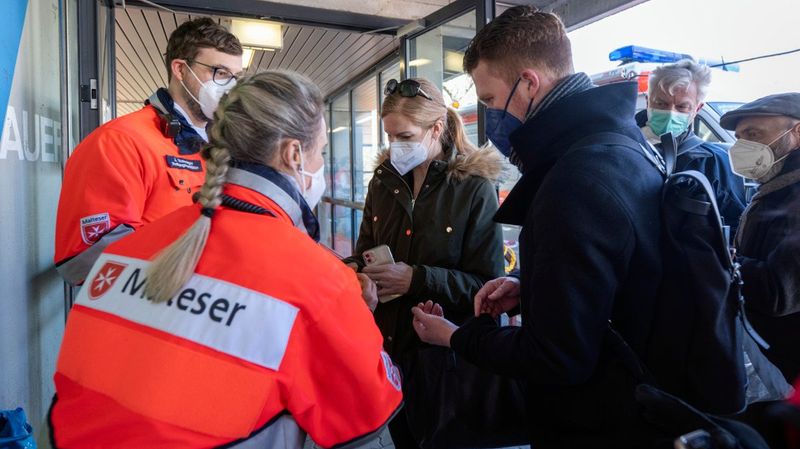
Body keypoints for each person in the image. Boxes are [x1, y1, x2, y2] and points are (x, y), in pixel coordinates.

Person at [49, 71, 403, 449]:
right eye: (321, 153)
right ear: (294, 154)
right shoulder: (322, 282)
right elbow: (364, 426)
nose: (321, 167)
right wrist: (350, 314)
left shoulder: (121, 253)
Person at [411, 6, 671, 448]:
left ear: (528, 83)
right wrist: (531, 283)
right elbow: (620, 273)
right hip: (643, 400)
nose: (491, 114)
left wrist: (459, 338)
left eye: (491, 99)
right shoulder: (622, 146)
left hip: (598, 422)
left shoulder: (574, 178)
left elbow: (557, 357)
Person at [342, 77, 504, 448]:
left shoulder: (474, 189)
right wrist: (356, 274)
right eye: (389, 137)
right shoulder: (382, 184)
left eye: (405, 137)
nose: (395, 147)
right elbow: (363, 250)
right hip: (387, 351)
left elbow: (487, 286)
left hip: (443, 362)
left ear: (437, 128)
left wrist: (416, 279)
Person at [54, 18, 243, 285]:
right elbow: (84, 259)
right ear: (180, 69)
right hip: (152, 308)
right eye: (219, 73)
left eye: (236, 77)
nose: (229, 86)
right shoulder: (120, 141)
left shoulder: (223, 146)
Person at [720, 93, 800, 449]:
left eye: (753, 134)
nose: (742, 146)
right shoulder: (778, 187)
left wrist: (722, 260)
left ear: (795, 134)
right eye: (739, 138)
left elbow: (779, 291)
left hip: (783, 370)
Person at [637, 59, 746, 234]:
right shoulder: (625, 146)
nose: (670, 113)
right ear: (648, 101)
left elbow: (735, 226)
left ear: (697, 108)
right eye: (661, 103)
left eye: (682, 107)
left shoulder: (714, 161)